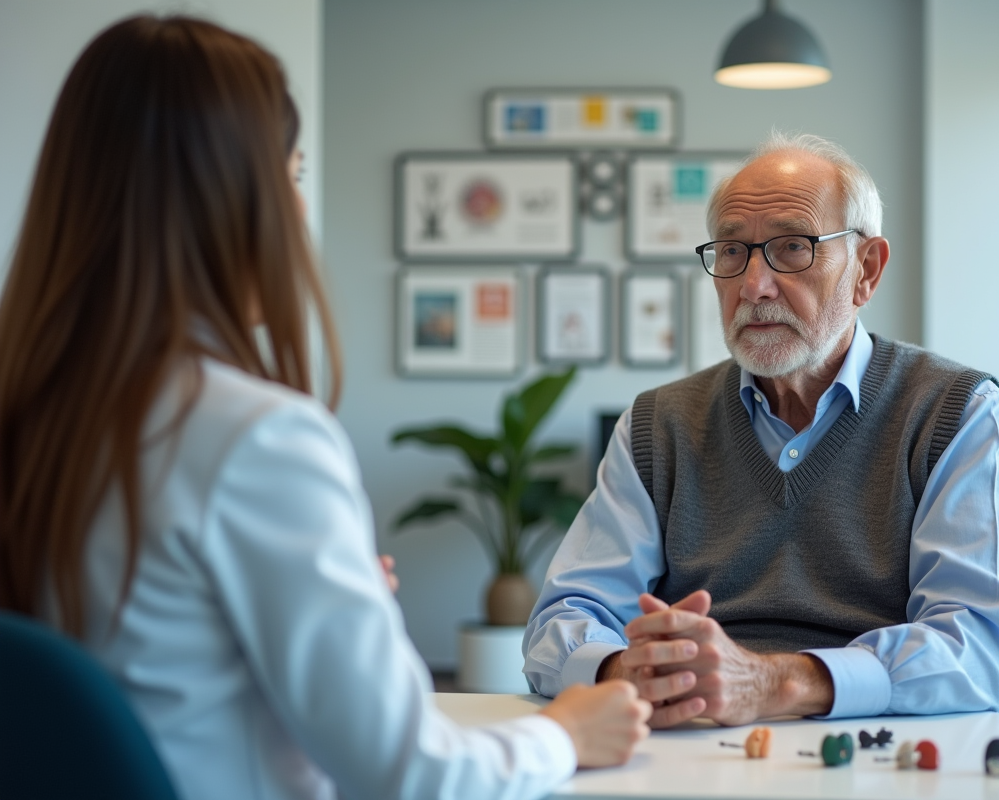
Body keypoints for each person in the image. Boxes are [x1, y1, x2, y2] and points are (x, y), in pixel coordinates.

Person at [0, 15, 649, 800]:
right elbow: (410, 774)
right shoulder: (255, 439)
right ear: (234, 199)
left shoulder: (34, 418)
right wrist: (565, 733)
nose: (299, 216)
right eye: (295, 176)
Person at [524, 132, 999, 728]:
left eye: (793, 248)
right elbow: (562, 618)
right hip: (689, 742)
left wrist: (776, 682)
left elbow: (974, 651)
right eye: (733, 253)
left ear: (867, 270)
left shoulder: (957, 412)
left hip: (868, 745)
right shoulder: (658, 425)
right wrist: (618, 669)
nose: (753, 286)